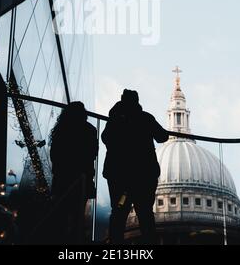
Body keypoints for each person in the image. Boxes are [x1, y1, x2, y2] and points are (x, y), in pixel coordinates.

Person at [102, 89, 168, 244]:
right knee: (145, 212)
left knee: (119, 211)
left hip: (120, 177)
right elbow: (162, 136)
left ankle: (115, 245)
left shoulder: (115, 119)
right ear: (137, 101)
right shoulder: (145, 118)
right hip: (143, 177)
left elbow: (106, 138)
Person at [49, 101, 98, 244]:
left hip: (63, 178)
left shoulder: (61, 129)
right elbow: (93, 153)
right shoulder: (90, 130)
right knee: (78, 215)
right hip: (82, 178)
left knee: (61, 214)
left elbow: (55, 154)